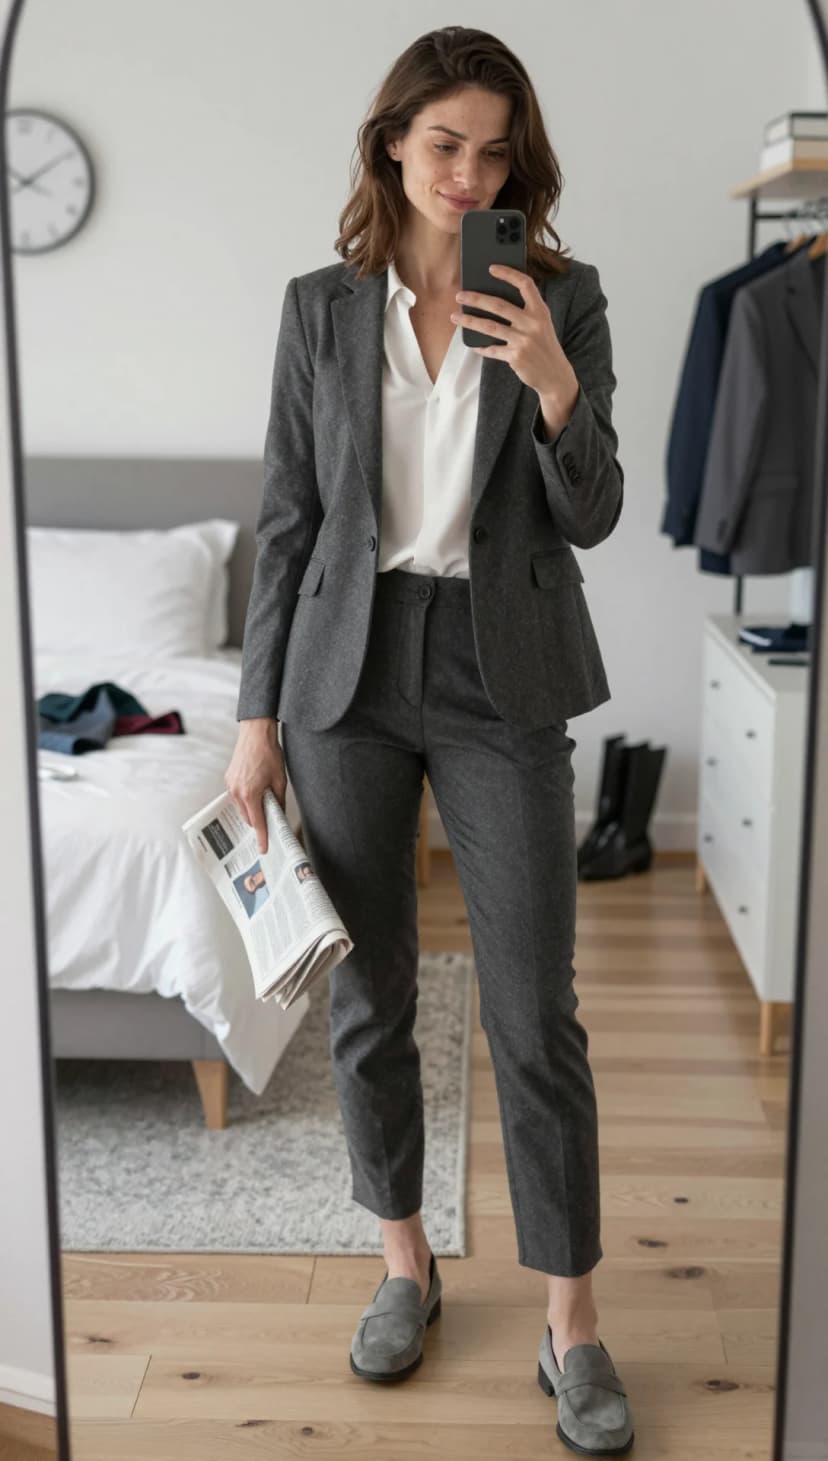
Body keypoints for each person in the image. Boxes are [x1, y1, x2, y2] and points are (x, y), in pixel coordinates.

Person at [225, 24, 633, 1454]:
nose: (469, 175)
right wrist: (255, 721)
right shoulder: (320, 309)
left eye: (494, 151)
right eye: (444, 143)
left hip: (499, 667)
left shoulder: (562, 297)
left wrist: (555, 382)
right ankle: (404, 1263)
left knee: (534, 1009)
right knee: (370, 991)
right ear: (392, 142)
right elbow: (288, 521)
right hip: (341, 672)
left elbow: (594, 513)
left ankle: (572, 1320)